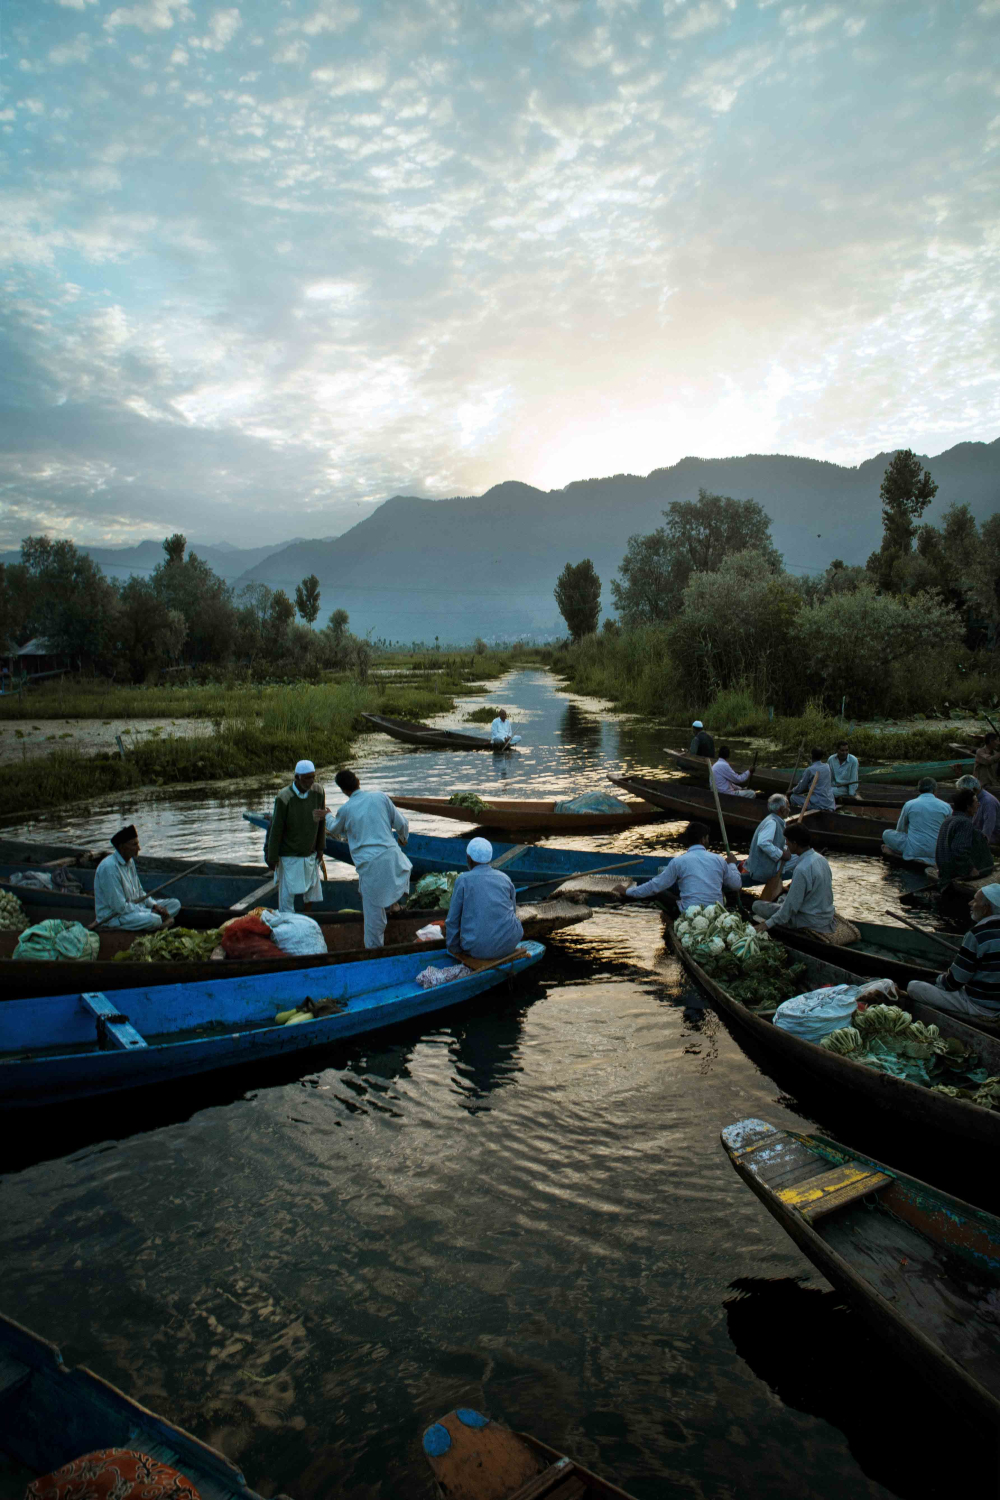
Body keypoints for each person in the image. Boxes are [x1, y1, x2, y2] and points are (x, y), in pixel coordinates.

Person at [323, 769, 412, 947]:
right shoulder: (380, 797)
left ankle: (374, 952)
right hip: (394, 858)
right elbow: (402, 824)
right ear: (358, 781)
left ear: (344, 791)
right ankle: (393, 904)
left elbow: (334, 829)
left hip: (371, 865)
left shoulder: (346, 809)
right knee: (389, 881)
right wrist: (403, 838)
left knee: (373, 921)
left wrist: (326, 815)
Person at [906, 884, 1000, 1019]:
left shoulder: (977, 934)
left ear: (986, 909)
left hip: (981, 1006)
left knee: (914, 987)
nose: (970, 903)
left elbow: (953, 982)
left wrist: (937, 980)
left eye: (975, 901)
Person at [615, 821, 740, 916]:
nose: (708, 840)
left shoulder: (678, 861)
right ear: (703, 839)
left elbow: (655, 886)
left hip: (690, 913)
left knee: (660, 892)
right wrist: (732, 864)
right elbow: (736, 884)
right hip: (716, 912)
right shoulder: (718, 859)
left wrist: (628, 892)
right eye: (707, 838)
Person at [445, 836, 524, 959]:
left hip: (477, 950)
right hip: (510, 943)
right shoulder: (505, 878)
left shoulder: (463, 880)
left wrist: (454, 949)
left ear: (469, 859)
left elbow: (452, 920)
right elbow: (512, 911)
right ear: (489, 858)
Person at [93, 825, 182, 931]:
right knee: (155, 919)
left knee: (175, 904)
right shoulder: (109, 868)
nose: (139, 848)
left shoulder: (130, 862)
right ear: (122, 847)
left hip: (137, 909)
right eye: (134, 844)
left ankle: (154, 919)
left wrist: (154, 906)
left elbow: (140, 893)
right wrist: (149, 912)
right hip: (115, 917)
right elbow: (120, 907)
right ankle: (156, 921)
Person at [265, 759, 327, 911]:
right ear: (297, 778)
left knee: (312, 890)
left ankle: (307, 917)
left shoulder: (318, 792)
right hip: (289, 855)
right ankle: (288, 923)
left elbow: (321, 823)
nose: (310, 781)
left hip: (310, 853)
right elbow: (276, 829)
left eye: (312, 777)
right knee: (287, 895)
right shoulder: (284, 797)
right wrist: (272, 857)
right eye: (306, 778)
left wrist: (320, 848)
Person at [752, 827, 835, 934]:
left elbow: (790, 908)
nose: (786, 844)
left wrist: (767, 924)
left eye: (787, 841)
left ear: (795, 844)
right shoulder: (821, 859)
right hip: (825, 916)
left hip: (808, 921)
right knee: (783, 898)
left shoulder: (802, 869)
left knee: (757, 905)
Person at [934, 787, 995, 888]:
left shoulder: (948, 820)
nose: (978, 804)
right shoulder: (964, 823)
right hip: (956, 874)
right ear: (968, 807)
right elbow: (959, 850)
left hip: (946, 870)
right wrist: (970, 869)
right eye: (975, 802)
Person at [881, 777, 952, 864]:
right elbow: (950, 830)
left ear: (919, 789)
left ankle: (904, 853)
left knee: (886, 834)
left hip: (914, 850)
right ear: (935, 790)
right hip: (936, 851)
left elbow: (900, 829)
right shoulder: (946, 806)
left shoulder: (910, 804)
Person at [741, 794, 800, 897]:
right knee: (802, 859)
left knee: (801, 856)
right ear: (781, 809)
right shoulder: (772, 822)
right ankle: (794, 892)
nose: (789, 809)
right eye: (788, 806)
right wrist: (781, 854)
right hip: (763, 869)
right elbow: (763, 843)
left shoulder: (774, 820)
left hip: (769, 863)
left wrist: (786, 850)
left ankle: (790, 888)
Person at [956, 774, 1000, 845]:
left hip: (993, 836)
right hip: (978, 833)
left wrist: (981, 844)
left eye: (964, 792)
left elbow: (988, 828)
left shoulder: (988, 802)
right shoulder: (973, 799)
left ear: (974, 790)